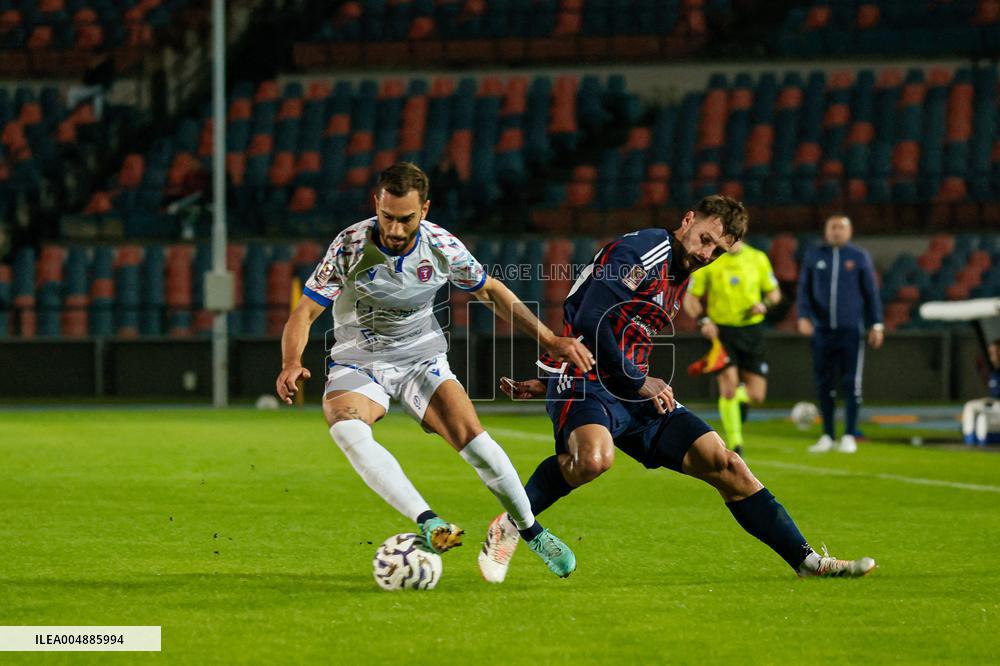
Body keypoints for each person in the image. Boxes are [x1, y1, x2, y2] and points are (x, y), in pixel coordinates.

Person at [479, 195, 876, 583]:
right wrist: (630, 380)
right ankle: (510, 526)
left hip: (632, 389)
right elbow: (591, 316)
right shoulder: (642, 252)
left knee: (727, 465)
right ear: (688, 220)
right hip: (588, 380)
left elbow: (617, 326)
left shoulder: (680, 271)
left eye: (718, 252)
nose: (707, 255)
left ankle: (806, 561)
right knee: (594, 459)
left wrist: (625, 381)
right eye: (706, 239)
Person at [276, 162, 593, 578]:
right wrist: (291, 362)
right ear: (377, 203)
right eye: (387, 216)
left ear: (424, 209)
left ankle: (531, 530)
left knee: (475, 442)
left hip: (420, 356)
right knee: (345, 426)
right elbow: (306, 311)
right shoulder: (349, 245)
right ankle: (429, 521)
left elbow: (492, 292)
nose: (393, 228)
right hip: (359, 358)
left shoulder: (443, 247)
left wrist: (550, 340)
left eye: (405, 218)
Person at [682, 239, 781, 455]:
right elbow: (690, 298)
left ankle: (737, 404)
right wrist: (703, 321)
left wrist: (764, 305)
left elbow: (775, 293)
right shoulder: (711, 258)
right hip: (722, 332)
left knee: (756, 395)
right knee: (728, 388)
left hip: (751, 332)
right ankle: (736, 443)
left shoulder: (758, 258)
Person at [796, 214, 884, 454]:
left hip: (851, 331)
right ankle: (827, 435)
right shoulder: (814, 256)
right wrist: (803, 315)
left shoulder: (858, 257)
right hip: (822, 331)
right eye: (833, 227)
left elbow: (871, 293)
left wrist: (876, 324)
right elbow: (804, 288)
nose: (837, 231)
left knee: (851, 384)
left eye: (841, 227)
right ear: (826, 230)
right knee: (824, 383)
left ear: (849, 231)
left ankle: (849, 435)